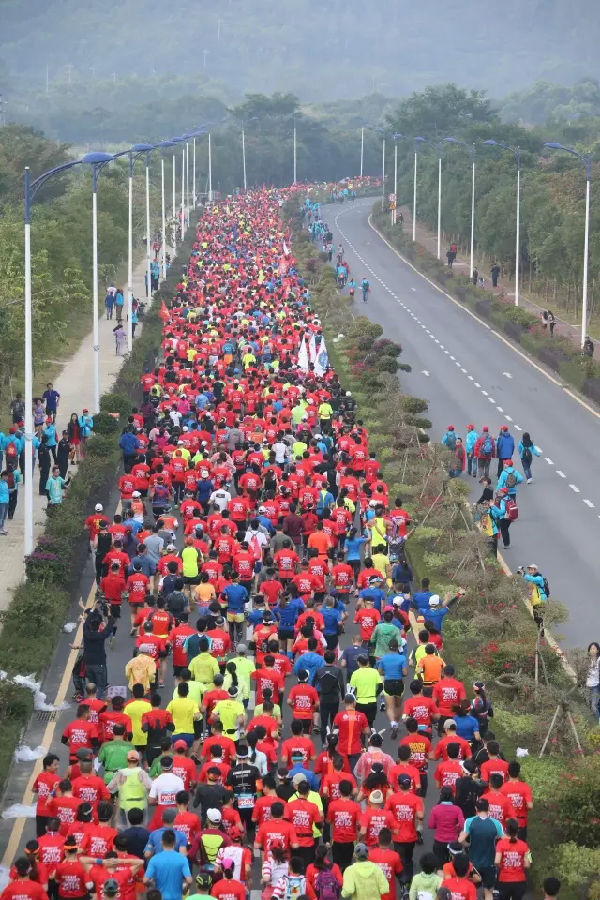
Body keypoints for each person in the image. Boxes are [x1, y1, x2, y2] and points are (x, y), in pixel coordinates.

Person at [458, 798, 503, 900]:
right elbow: (505, 840)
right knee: (488, 893)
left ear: (475, 808)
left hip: (473, 864)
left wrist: (467, 845)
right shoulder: (496, 823)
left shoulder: (469, 821)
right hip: (490, 864)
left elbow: (460, 840)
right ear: (489, 808)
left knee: (471, 891)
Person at [144, 829, 192, 900]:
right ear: (175, 842)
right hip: (177, 897)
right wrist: (185, 888)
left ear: (161, 842)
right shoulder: (182, 859)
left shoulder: (154, 859)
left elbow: (145, 880)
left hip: (160, 897)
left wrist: (152, 884)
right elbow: (189, 880)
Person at [494, 818, 530, 900]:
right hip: (520, 880)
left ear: (506, 830)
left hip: (504, 880)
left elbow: (496, 861)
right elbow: (528, 864)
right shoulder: (525, 845)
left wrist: (502, 867)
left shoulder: (500, 844)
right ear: (518, 830)